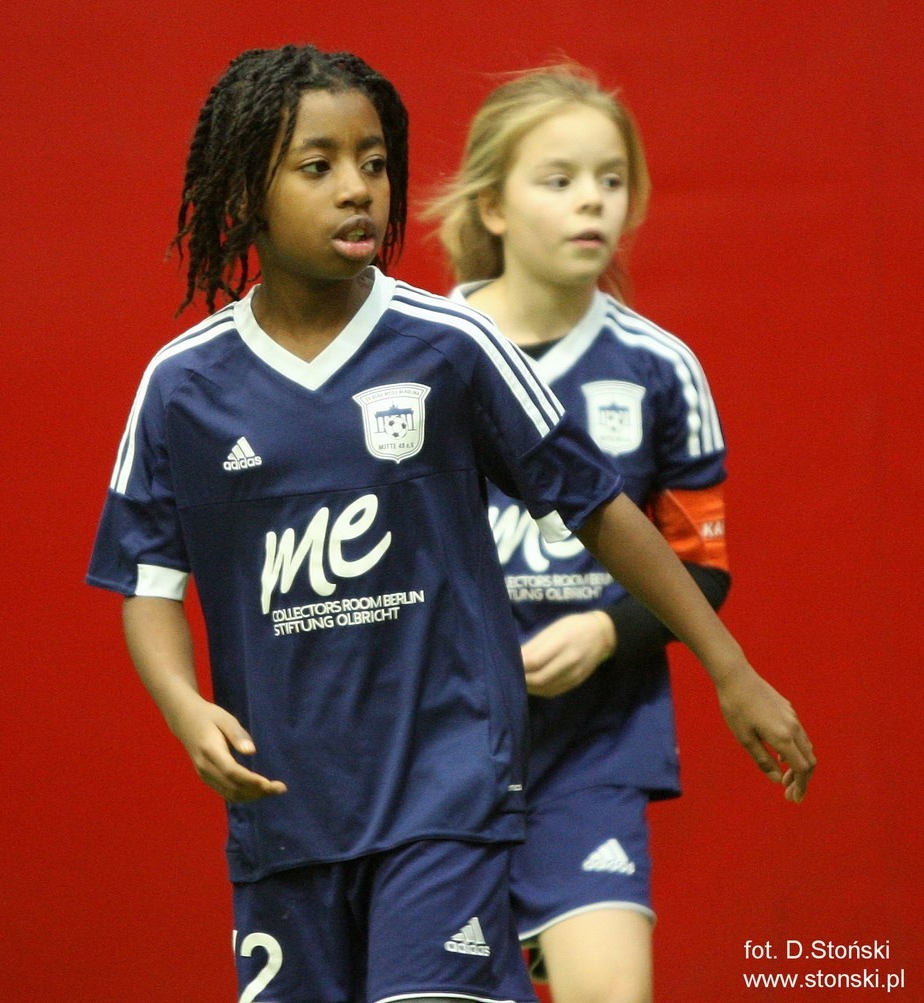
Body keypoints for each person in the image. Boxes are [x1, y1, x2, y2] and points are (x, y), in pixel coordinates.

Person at [87, 45, 814, 1003]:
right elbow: (148, 581)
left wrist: (730, 667)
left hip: (448, 788)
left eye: (375, 163)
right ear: (247, 192)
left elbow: (597, 507)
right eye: (319, 166)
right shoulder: (183, 385)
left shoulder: (450, 345)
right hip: (286, 814)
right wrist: (185, 707)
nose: (358, 189)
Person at [426, 64, 814, 1003]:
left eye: (611, 179)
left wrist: (604, 630)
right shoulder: (419, 351)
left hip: (591, 753)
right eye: (558, 179)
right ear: (493, 205)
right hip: (431, 752)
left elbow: (700, 567)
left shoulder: (658, 367)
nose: (591, 200)